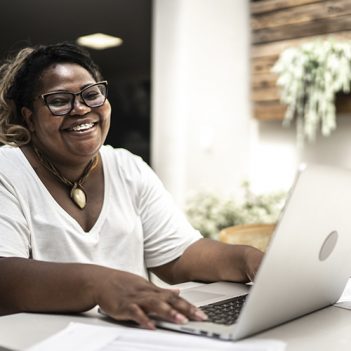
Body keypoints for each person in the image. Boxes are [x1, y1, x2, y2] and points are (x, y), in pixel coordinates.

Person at [0, 42, 263, 329]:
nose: (81, 109)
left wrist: (246, 258)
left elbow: (179, 256)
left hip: (134, 337)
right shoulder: (8, 171)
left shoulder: (128, 167)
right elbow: (5, 278)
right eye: (60, 100)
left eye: (92, 95)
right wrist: (99, 284)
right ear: (30, 118)